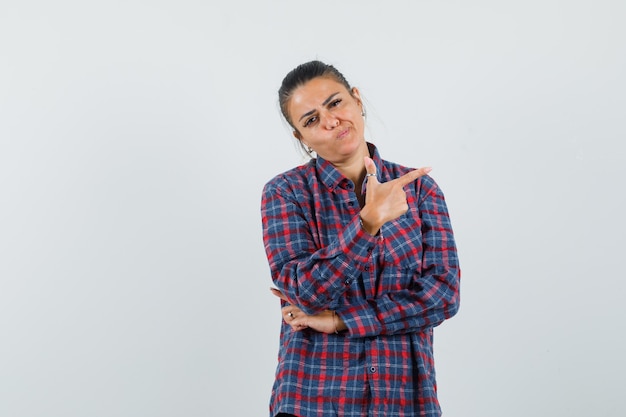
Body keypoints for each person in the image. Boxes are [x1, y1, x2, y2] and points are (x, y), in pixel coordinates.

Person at [261, 60, 460, 417]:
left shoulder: (418, 189)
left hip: (403, 398)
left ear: (356, 99)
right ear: (301, 137)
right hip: (313, 397)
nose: (330, 121)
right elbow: (306, 291)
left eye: (335, 103)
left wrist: (340, 320)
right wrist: (367, 223)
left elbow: (443, 295)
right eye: (311, 120)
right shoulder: (285, 193)